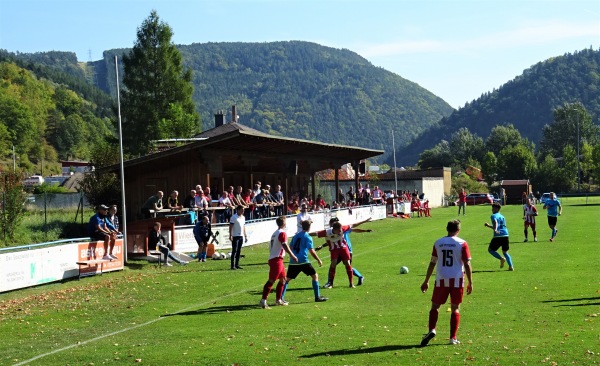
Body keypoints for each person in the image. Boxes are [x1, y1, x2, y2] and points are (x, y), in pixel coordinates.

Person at [420, 220, 473, 346]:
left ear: (446, 229)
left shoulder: (438, 243)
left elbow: (432, 262)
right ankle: (452, 338)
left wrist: (426, 280)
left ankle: (432, 329)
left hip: (441, 279)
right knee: (455, 308)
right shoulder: (462, 243)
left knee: (435, 306)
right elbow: (467, 263)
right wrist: (471, 282)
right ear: (458, 230)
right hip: (457, 279)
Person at [281, 220, 328, 303]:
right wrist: (318, 259)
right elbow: (312, 251)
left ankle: (281, 298)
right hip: (303, 261)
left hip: (294, 261)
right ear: (309, 227)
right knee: (315, 276)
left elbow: (290, 248)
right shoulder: (308, 237)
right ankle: (317, 297)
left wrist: (293, 256)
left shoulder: (295, 236)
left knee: (287, 280)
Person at [317, 217, 371, 287]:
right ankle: (330, 283)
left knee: (346, 265)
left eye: (332, 223)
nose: (331, 225)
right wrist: (322, 246)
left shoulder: (342, 229)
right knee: (338, 265)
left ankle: (359, 277)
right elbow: (332, 241)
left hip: (347, 249)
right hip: (338, 249)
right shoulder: (331, 231)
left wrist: (365, 230)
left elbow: (354, 229)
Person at [259, 216, 298, 308]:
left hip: (276, 258)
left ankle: (278, 300)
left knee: (283, 279)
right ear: (284, 223)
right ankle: (263, 300)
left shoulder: (275, 233)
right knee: (271, 280)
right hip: (276, 259)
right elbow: (284, 245)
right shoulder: (282, 233)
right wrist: (292, 255)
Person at [314, 221, 354, 288]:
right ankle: (331, 283)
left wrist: (365, 221)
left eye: (341, 229)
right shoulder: (327, 232)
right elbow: (316, 233)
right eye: (338, 230)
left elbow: (352, 224)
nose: (340, 231)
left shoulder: (342, 228)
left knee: (347, 263)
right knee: (333, 263)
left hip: (343, 247)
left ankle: (351, 283)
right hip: (334, 249)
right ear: (334, 229)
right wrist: (305, 232)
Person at [484, 202, 514, 271]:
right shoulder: (502, 216)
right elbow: (501, 226)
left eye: (493, 208)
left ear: (497, 209)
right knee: (505, 252)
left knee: (490, 250)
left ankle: (501, 258)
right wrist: (489, 226)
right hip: (506, 235)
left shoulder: (493, 215)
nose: (492, 210)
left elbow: (495, 222)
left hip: (498, 236)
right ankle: (511, 266)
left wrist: (495, 230)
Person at [229, 205, 247, 270]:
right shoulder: (234, 217)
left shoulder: (243, 217)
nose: (243, 211)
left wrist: (245, 235)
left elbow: (243, 227)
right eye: (242, 210)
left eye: (243, 210)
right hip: (235, 236)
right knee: (234, 250)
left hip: (241, 236)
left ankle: (237, 264)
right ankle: (232, 265)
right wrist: (230, 235)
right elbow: (230, 226)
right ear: (238, 210)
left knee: (239, 250)